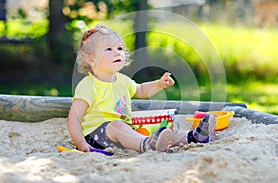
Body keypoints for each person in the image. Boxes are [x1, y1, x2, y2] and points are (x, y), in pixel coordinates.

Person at [68, 24, 216, 153]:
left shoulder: (123, 81)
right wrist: (81, 143)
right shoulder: (88, 86)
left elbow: (140, 90)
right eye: (108, 49)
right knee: (117, 126)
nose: (117, 52)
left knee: (160, 128)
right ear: (91, 59)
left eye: (119, 48)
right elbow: (74, 118)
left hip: (124, 132)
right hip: (96, 137)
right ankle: (147, 144)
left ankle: (193, 136)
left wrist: (158, 84)